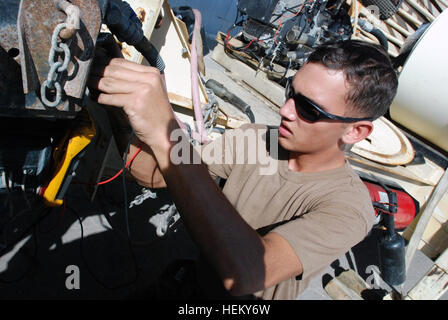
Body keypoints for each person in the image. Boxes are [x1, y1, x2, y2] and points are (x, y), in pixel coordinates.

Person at [88, 39, 398, 299]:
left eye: (308, 109)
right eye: (292, 92)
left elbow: (246, 272)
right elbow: (156, 174)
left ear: (355, 132)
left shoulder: (349, 207)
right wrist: (119, 108)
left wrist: (165, 132)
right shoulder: (257, 139)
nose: (285, 110)